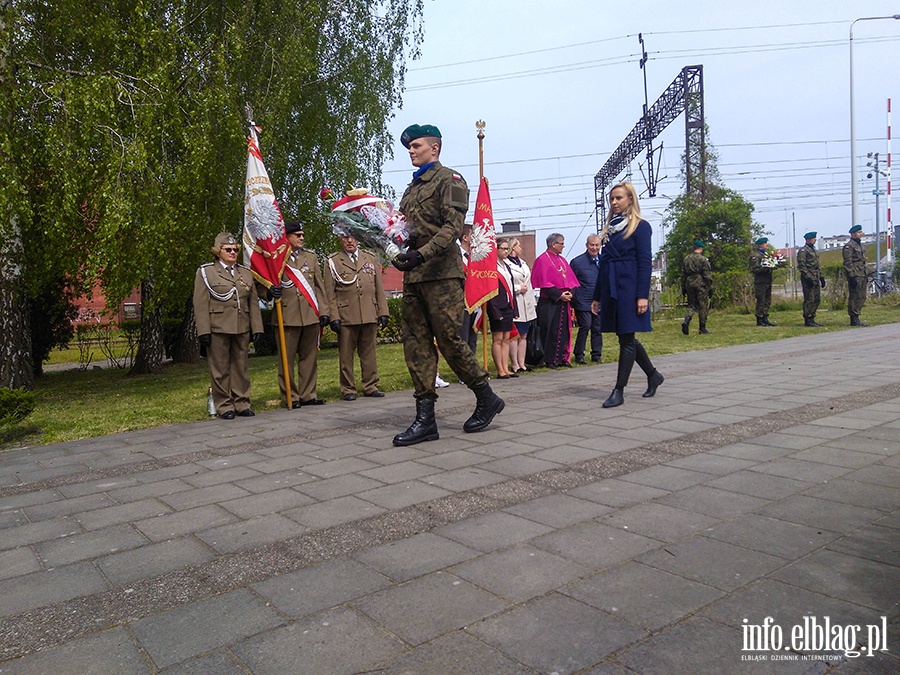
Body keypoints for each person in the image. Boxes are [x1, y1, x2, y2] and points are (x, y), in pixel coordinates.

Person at [390, 123, 504, 446]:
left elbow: (453, 228)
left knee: (451, 340)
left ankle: (486, 396)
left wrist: (421, 254)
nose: (411, 151)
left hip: (442, 274)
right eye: (409, 147)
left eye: (417, 146)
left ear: (434, 149)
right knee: (416, 344)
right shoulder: (410, 190)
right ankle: (426, 419)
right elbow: (405, 230)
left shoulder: (450, 180)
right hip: (415, 275)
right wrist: (389, 240)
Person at [591, 182, 664, 408]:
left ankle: (618, 390)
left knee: (626, 338)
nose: (614, 203)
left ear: (630, 199)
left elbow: (644, 262)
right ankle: (653, 375)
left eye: (619, 198)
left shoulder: (641, 227)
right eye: (612, 199)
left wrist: (642, 295)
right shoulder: (610, 229)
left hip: (630, 287)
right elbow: (603, 265)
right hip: (612, 287)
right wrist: (597, 296)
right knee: (626, 337)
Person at [193, 232, 264, 419]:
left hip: (241, 325)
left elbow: (253, 302)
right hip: (218, 327)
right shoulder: (206, 272)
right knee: (220, 368)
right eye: (228, 249)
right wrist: (203, 331)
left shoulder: (245, 272)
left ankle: (242, 402)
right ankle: (224, 405)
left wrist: (257, 328)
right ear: (218, 252)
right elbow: (200, 304)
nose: (233, 252)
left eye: (235, 249)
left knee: (241, 367)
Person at [263, 221, 332, 409]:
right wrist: (269, 292)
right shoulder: (275, 258)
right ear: (287, 237)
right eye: (298, 235)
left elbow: (319, 286)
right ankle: (291, 397)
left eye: (302, 235)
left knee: (309, 358)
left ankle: (308, 394)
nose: (302, 238)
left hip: (310, 315)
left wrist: (324, 311)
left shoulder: (310, 257)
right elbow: (262, 284)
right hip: (287, 316)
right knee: (286, 360)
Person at [325, 233, 389, 400]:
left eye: (352, 237)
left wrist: (383, 311)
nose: (350, 241)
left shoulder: (370, 258)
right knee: (346, 355)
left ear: (358, 239)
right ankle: (348, 389)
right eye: (345, 238)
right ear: (340, 239)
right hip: (346, 314)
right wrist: (334, 316)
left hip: (369, 312)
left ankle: (370, 385)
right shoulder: (333, 261)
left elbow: (379, 288)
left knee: (369, 352)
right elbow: (329, 293)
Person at [530, 233, 579, 369]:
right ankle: (550, 359)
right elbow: (544, 283)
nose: (564, 246)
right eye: (561, 243)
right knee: (550, 331)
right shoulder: (542, 260)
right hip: (550, 302)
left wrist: (570, 294)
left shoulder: (562, 260)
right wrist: (559, 295)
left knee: (563, 331)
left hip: (563, 302)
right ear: (554, 244)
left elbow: (571, 280)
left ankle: (563, 358)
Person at [569, 234, 604, 363]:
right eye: (592, 245)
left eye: (597, 245)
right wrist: (574, 298)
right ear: (586, 245)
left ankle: (596, 354)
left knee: (598, 328)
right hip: (583, 301)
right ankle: (579, 354)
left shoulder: (604, 261)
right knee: (585, 326)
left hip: (599, 301)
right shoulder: (577, 262)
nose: (594, 248)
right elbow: (571, 282)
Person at [506, 237, 536, 373]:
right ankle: (515, 364)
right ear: (513, 248)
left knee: (524, 335)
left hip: (527, 304)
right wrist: (518, 288)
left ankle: (522, 363)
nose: (521, 248)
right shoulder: (506, 264)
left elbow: (529, 284)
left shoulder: (523, 263)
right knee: (514, 335)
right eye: (518, 246)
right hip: (515, 302)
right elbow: (507, 282)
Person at [487, 238, 517, 379]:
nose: (506, 251)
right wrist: (494, 311)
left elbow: (510, 288)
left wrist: (514, 307)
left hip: (508, 305)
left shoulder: (507, 266)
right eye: (503, 248)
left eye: (507, 249)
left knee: (506, 338)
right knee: (498, 338)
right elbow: (490, 291)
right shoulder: (492, 268)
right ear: (496, 250)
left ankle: (506, 368)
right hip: (497, 307)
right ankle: (500, 369)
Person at [681, 239, 713, 335]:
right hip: (700, 283)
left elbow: (683, 274)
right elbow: (707, 274)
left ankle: (687, 320)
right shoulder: (703, 259)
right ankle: (702, 328)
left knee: (691, 305)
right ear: (701, 248)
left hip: (689, 283)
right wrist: (710, 286)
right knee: (702, 305)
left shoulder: (686, 259)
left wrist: (683, 287)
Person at [458, 223, 479, 354]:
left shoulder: (475, 257)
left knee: (473, 339)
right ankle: (464, 371)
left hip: (475, 303)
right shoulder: (456, 256)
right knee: (463, 339)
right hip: (462, 303)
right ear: (465, 237)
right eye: (473, 235)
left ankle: (473, 369)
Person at [797, 231, 825, 327]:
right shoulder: (803, 251)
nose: (815, 240)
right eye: (813, 238)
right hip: (808, 277)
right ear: (808, 240)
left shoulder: (814, 250)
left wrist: (821, 277)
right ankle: (807, 318)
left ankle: (812, 317)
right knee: (809, 298)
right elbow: (802, 265)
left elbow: (817, 265)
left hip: (816, 276)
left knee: (817, 299)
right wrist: (808, 277)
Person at [843, 224, 868, 326]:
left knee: (862, 296)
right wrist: (851, 276)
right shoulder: (849, 246)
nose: (861, 234)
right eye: (859, 232)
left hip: (862, 273)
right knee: (855, 295)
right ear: (853, 234)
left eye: (861, 232)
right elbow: (847, 262)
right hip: (855, 274)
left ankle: (857, 315)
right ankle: (853, 317)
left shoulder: (860, 245)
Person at [749, 236, 776, 326]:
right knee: (761, 300)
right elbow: (754, 269)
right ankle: (759, 319)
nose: (767, 244)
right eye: (765, 243)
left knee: (767, 300)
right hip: (760, 281)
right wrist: (764, 268)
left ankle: (765, 317)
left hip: (767, 280)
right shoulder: (756, 256)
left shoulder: (766, 255)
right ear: (760, 245)